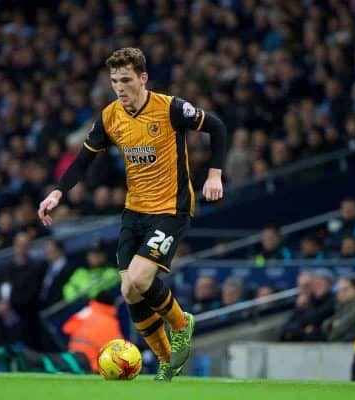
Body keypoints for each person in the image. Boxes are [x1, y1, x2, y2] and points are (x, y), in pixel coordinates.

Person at [38, 48, 227, 381]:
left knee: (140, 279)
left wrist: (214, 174)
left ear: (143, 78)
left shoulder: (170, 108)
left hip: (171, 209)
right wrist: (57, 192)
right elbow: (83, 159)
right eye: (114, 81)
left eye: (125, 80)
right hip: (134, 212)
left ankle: (182, 324)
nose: (119, 88)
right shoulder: (111, 115)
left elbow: (217, 127)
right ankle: (169, 361)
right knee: (128, 291)